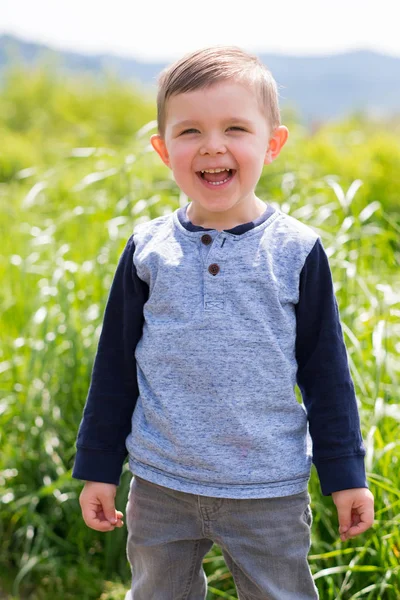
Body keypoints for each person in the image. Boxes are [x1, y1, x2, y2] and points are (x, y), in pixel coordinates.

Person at [72, 46, 374, 599]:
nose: (213, 145)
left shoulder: (296, 251)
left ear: (272, 143)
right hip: (160, 485)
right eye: (190, 132)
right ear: (164, 150)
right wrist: (98, 466)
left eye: (236, 128)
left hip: (268, 491)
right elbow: (113, 369)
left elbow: (327, 373)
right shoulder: (148, 250)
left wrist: (345, 473)